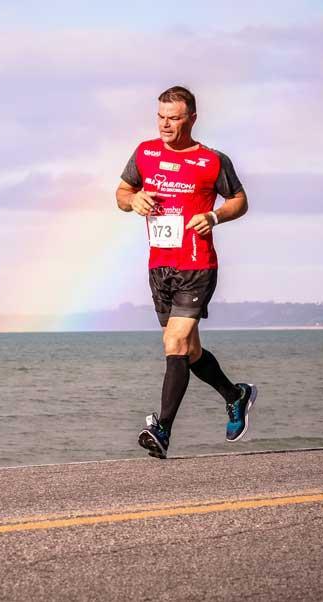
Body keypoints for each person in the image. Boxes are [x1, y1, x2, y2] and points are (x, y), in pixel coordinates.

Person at [115, 85, 257, 459]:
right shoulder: (144, 153)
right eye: (160, 117)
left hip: (196, 265)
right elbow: (122, 193)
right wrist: (134, 200)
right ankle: (235, 394)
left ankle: (161, 430)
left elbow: (240, 200)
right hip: (159, 267)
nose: (165, 124)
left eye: (174, 118)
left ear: (192, 118)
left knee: (174, 344)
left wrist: (213, 216)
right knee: (189, 351)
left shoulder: (212, 161)